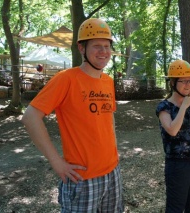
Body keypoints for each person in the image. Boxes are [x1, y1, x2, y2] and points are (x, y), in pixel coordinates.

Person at [21, 18, 124, 212]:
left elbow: (108, 117)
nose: (103, 52)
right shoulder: (66, 79)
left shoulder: (108, 81)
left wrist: (115, 152)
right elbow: (30, 117)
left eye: (107, 46)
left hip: (113, 172)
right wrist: (56, 162)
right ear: (81, 48)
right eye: (96, 46)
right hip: (82, 178)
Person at [156, 59, 190, 213]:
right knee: (175, 206)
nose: (189, 84)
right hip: (177, 164)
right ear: (173, 83)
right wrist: (183, 107)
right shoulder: (164, 107)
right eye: (184, 81)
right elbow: (172, 130)